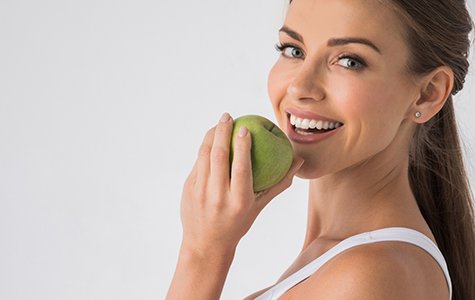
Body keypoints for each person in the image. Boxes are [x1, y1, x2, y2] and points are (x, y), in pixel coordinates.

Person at [166, 0, 475, 299]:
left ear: (428, 94)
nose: (300, 88)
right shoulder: (347, 259)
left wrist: (202, 253)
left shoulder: (371, 275)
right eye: (294, 50)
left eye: (349, 61)